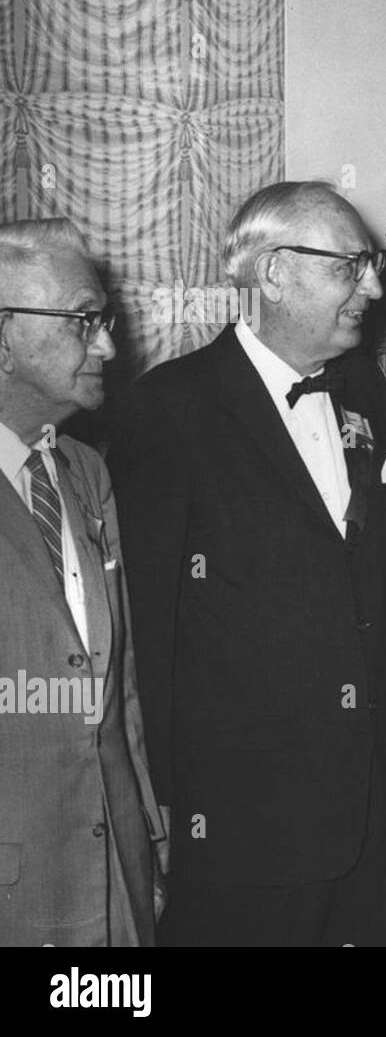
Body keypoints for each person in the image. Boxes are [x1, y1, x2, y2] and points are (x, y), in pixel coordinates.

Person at [109, 182, 386, 946]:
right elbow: (147, 623)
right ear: (274, 273)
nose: (374, 288)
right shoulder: (169, 408)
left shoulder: (367, 396)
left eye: (372, 266)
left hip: (371, 814)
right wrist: (166, 804)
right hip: (242, 823)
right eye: (352, 267)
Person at [0, 219, 165, 946]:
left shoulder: (85, 472)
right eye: (82, 321)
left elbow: (114, 684)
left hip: (116, 884)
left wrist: (149, 839)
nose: (107, 346)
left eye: (104, 321)